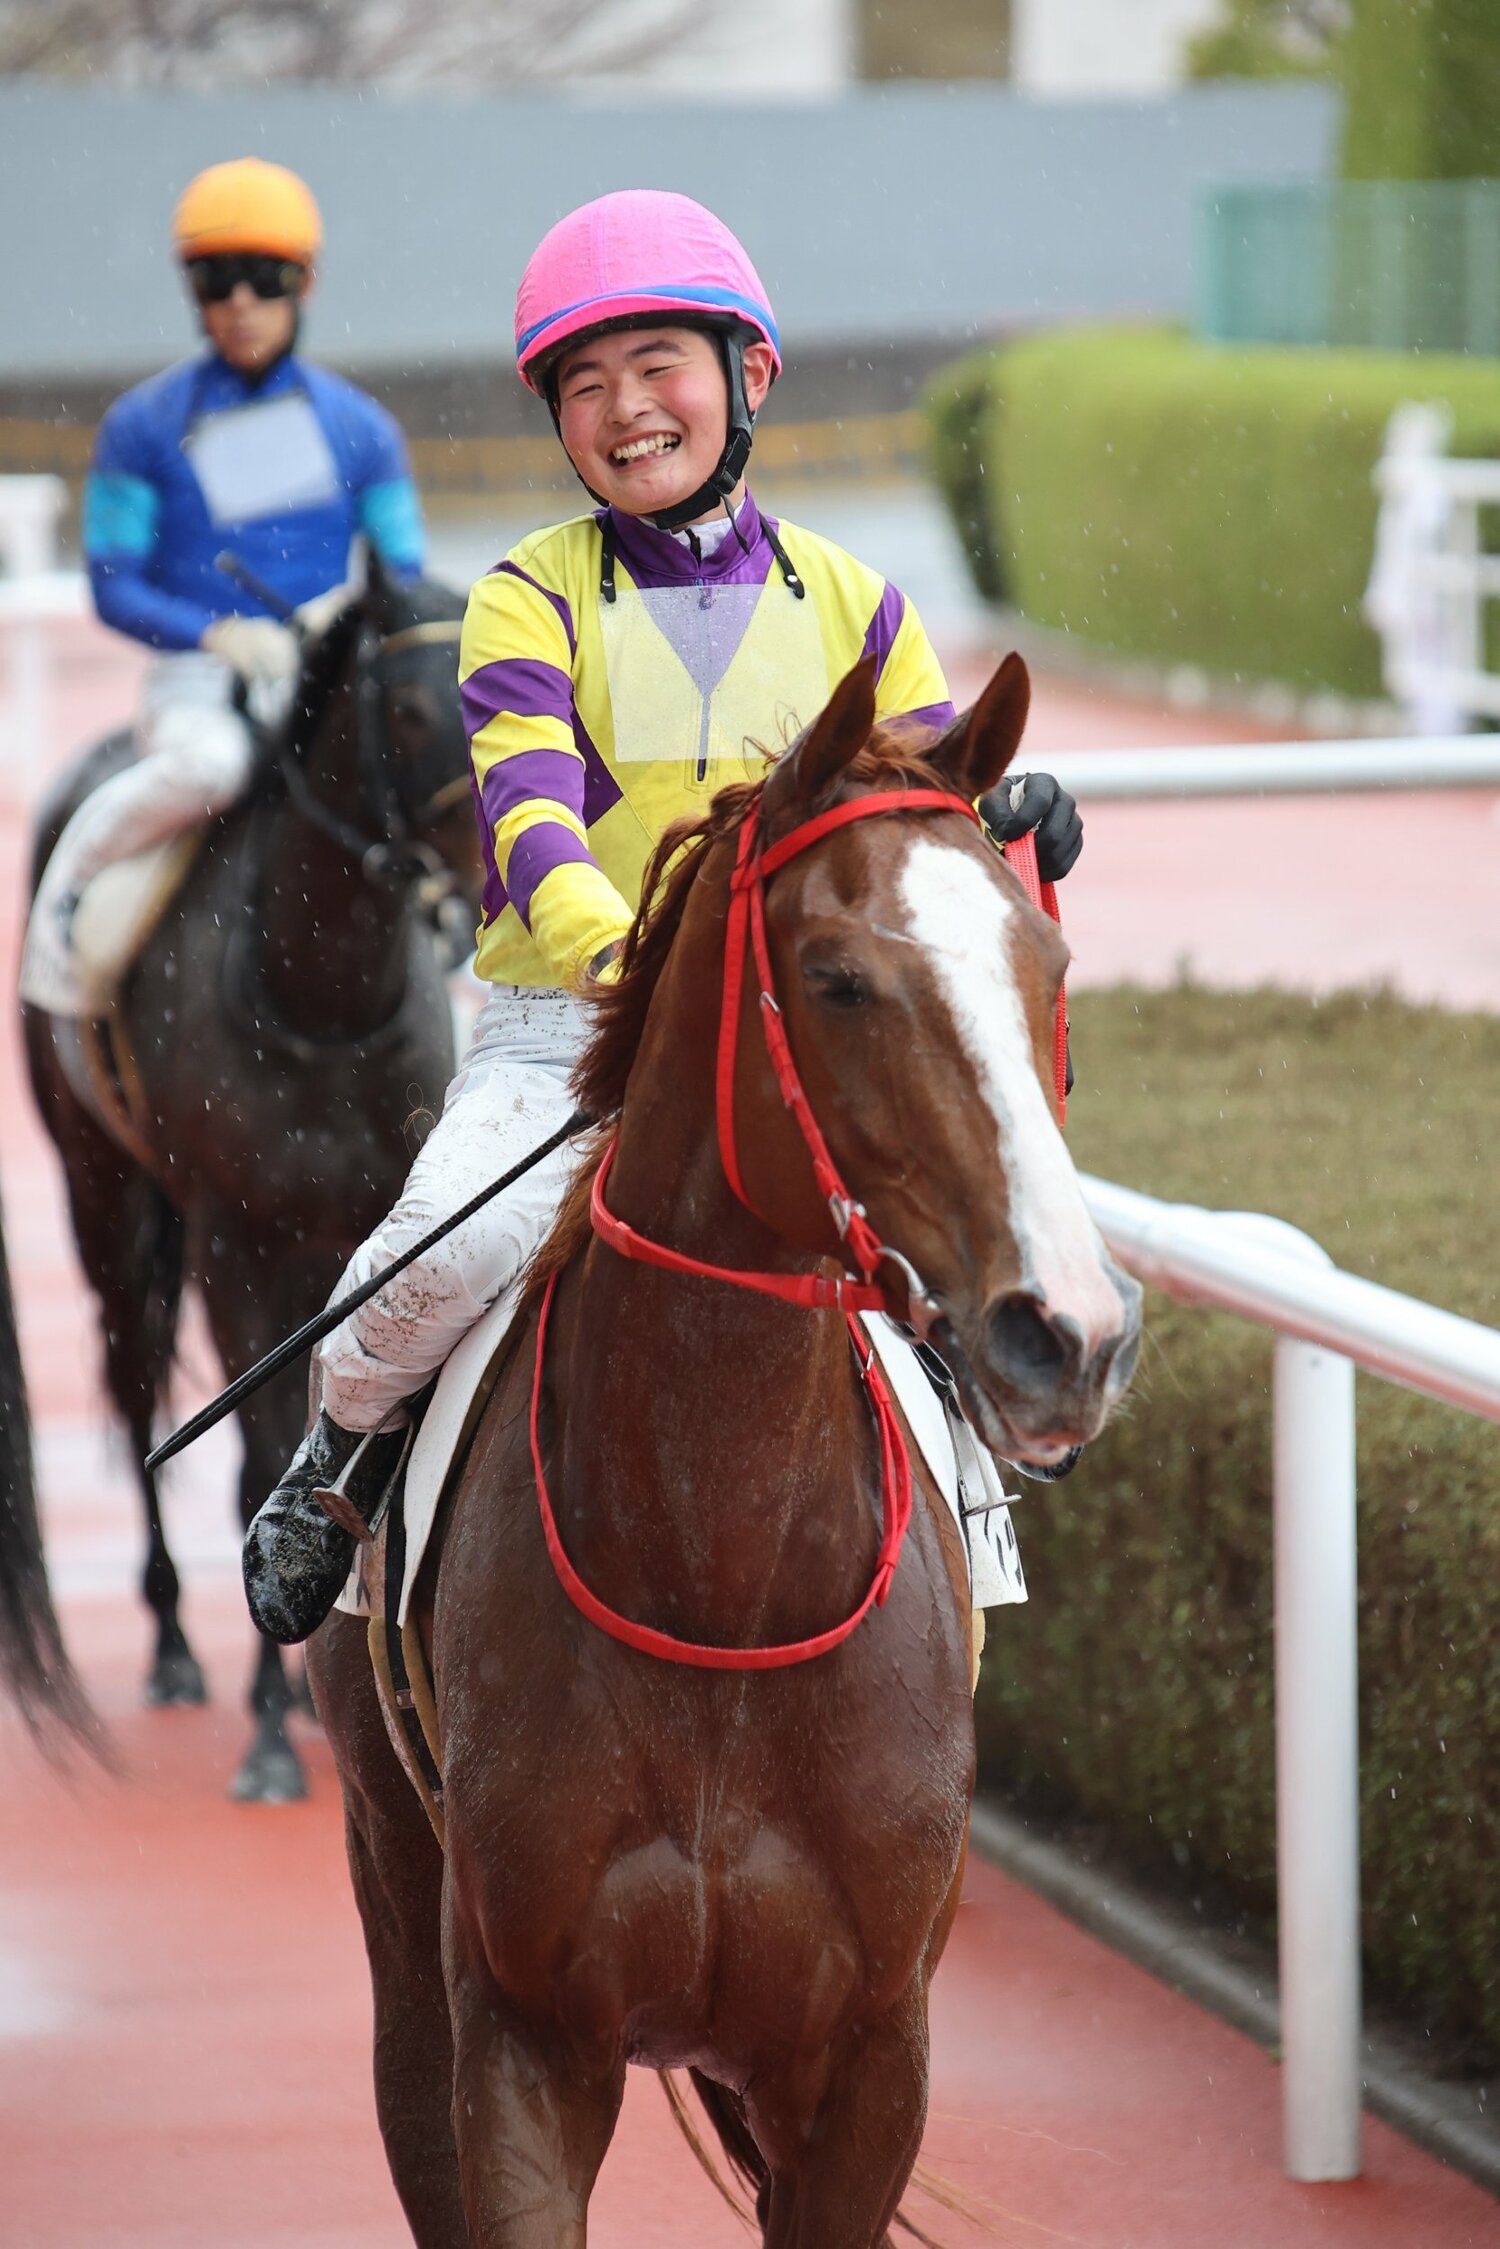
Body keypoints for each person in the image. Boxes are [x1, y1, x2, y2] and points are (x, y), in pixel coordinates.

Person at [242, 188, 1081, 1645]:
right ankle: (343, 1458)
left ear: (749, 377)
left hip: (807, 1036)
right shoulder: (522, 599)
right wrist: (642, 969)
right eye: (585, 384)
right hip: (575, 1034)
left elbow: (929, 800)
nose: (626, 410)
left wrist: (1006, 821)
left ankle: (978, 1501)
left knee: (961, 1236)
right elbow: (536, 829)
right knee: (430, 1250)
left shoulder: (857, 604)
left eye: (657, 368)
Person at [21, 157, 427, 1017]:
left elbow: (409, 575)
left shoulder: (363, 430)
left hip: (317, 675)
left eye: (262, 279)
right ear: (192, 290)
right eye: (216, 281)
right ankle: (64, 897)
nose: (240, 305)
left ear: (303, 282)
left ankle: (459, 956)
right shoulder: (140, 427)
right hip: (197, 678)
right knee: (212, 766)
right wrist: (213, 634)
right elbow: (111, 584)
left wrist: (339, 620)